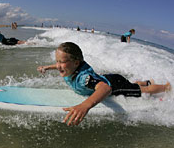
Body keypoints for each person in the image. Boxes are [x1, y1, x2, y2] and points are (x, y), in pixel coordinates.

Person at [37, 42, 171, 126]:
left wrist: (85, 105)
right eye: (57, 61)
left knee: (141, 91)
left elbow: (105, 88)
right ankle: (143, 82)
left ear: (76, 63)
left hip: (114, 85)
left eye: (62, 62)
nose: (58, 65)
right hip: (106, 78)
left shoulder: (85, 79)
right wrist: (47, 67)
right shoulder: (68, 68)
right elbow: (59, 64)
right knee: (130, 84)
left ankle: (166, 86)